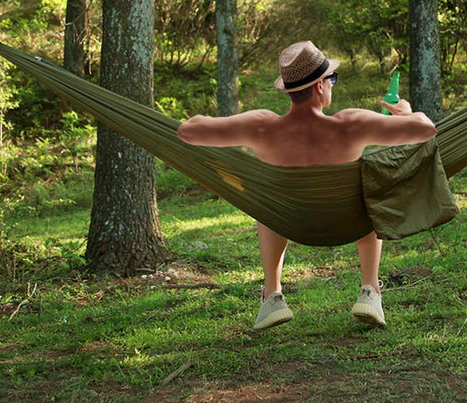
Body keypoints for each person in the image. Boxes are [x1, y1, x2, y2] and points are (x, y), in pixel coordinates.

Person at [177, 40, 437, 330]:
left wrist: (202, 116)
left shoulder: (261, 126)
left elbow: (188, 131)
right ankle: (369, 291)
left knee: (267, 205)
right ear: (319, 87)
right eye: (332, 79)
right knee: (372, 192)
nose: (333, 85)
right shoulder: (351, 124)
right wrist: (405, 112)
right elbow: (425, 129)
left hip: (291, 222)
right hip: (349, 223)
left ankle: (272, 295)